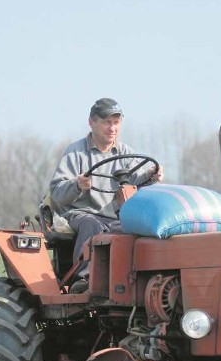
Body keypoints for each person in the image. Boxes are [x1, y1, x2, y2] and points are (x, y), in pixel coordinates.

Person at [48, 98, 163, 289]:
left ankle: (136, 281)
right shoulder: (75, 153)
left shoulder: (126, 153)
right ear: (92, 122)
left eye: (116, 123)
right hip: (81, 214)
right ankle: (83, 279)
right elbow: (57, 193)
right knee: (91, 224)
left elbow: (138, 180)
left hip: (115, 217)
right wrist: (77, 185)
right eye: (107, 122)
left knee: (140, 230)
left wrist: (152, 175)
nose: (112, 128)